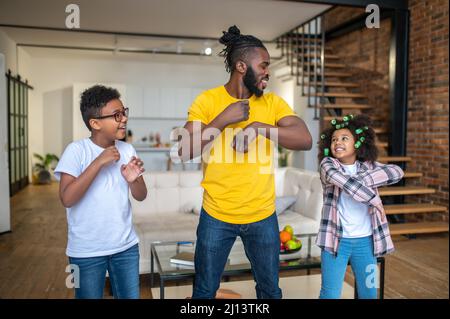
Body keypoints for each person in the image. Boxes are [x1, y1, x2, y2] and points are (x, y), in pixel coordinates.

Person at [178, 25, 313, 299]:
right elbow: (184, 150)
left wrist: (258, 128)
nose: (267, 72)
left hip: (263, 215)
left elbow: (304, 138)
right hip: (216, 215)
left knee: (269, 291)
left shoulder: (273, 103)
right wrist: (223, 119)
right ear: (241, 66)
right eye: (263, 65)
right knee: (204, 291)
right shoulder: (207, 101)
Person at [54, 85, 147, 299]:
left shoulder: (127, 150)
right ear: (95, 123)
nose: (123, 118)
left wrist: (134, 181)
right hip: (85, 252)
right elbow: (67, 198)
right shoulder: (76, 151)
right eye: (116, 115)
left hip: (126, 247)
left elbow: (141, 195)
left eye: (124, 112)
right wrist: (98, 162)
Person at [316, 114, 404, 299]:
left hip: (366, 243)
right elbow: (346, 184)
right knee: (329, 294)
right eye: (334, 139)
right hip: (335, 242)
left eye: (344, 138)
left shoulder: (367, 166)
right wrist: (374, 198)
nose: (337, 142)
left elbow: (397, 172)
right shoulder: (327, 164)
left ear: (358, 144)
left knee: (369, 293)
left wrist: (363, 179)